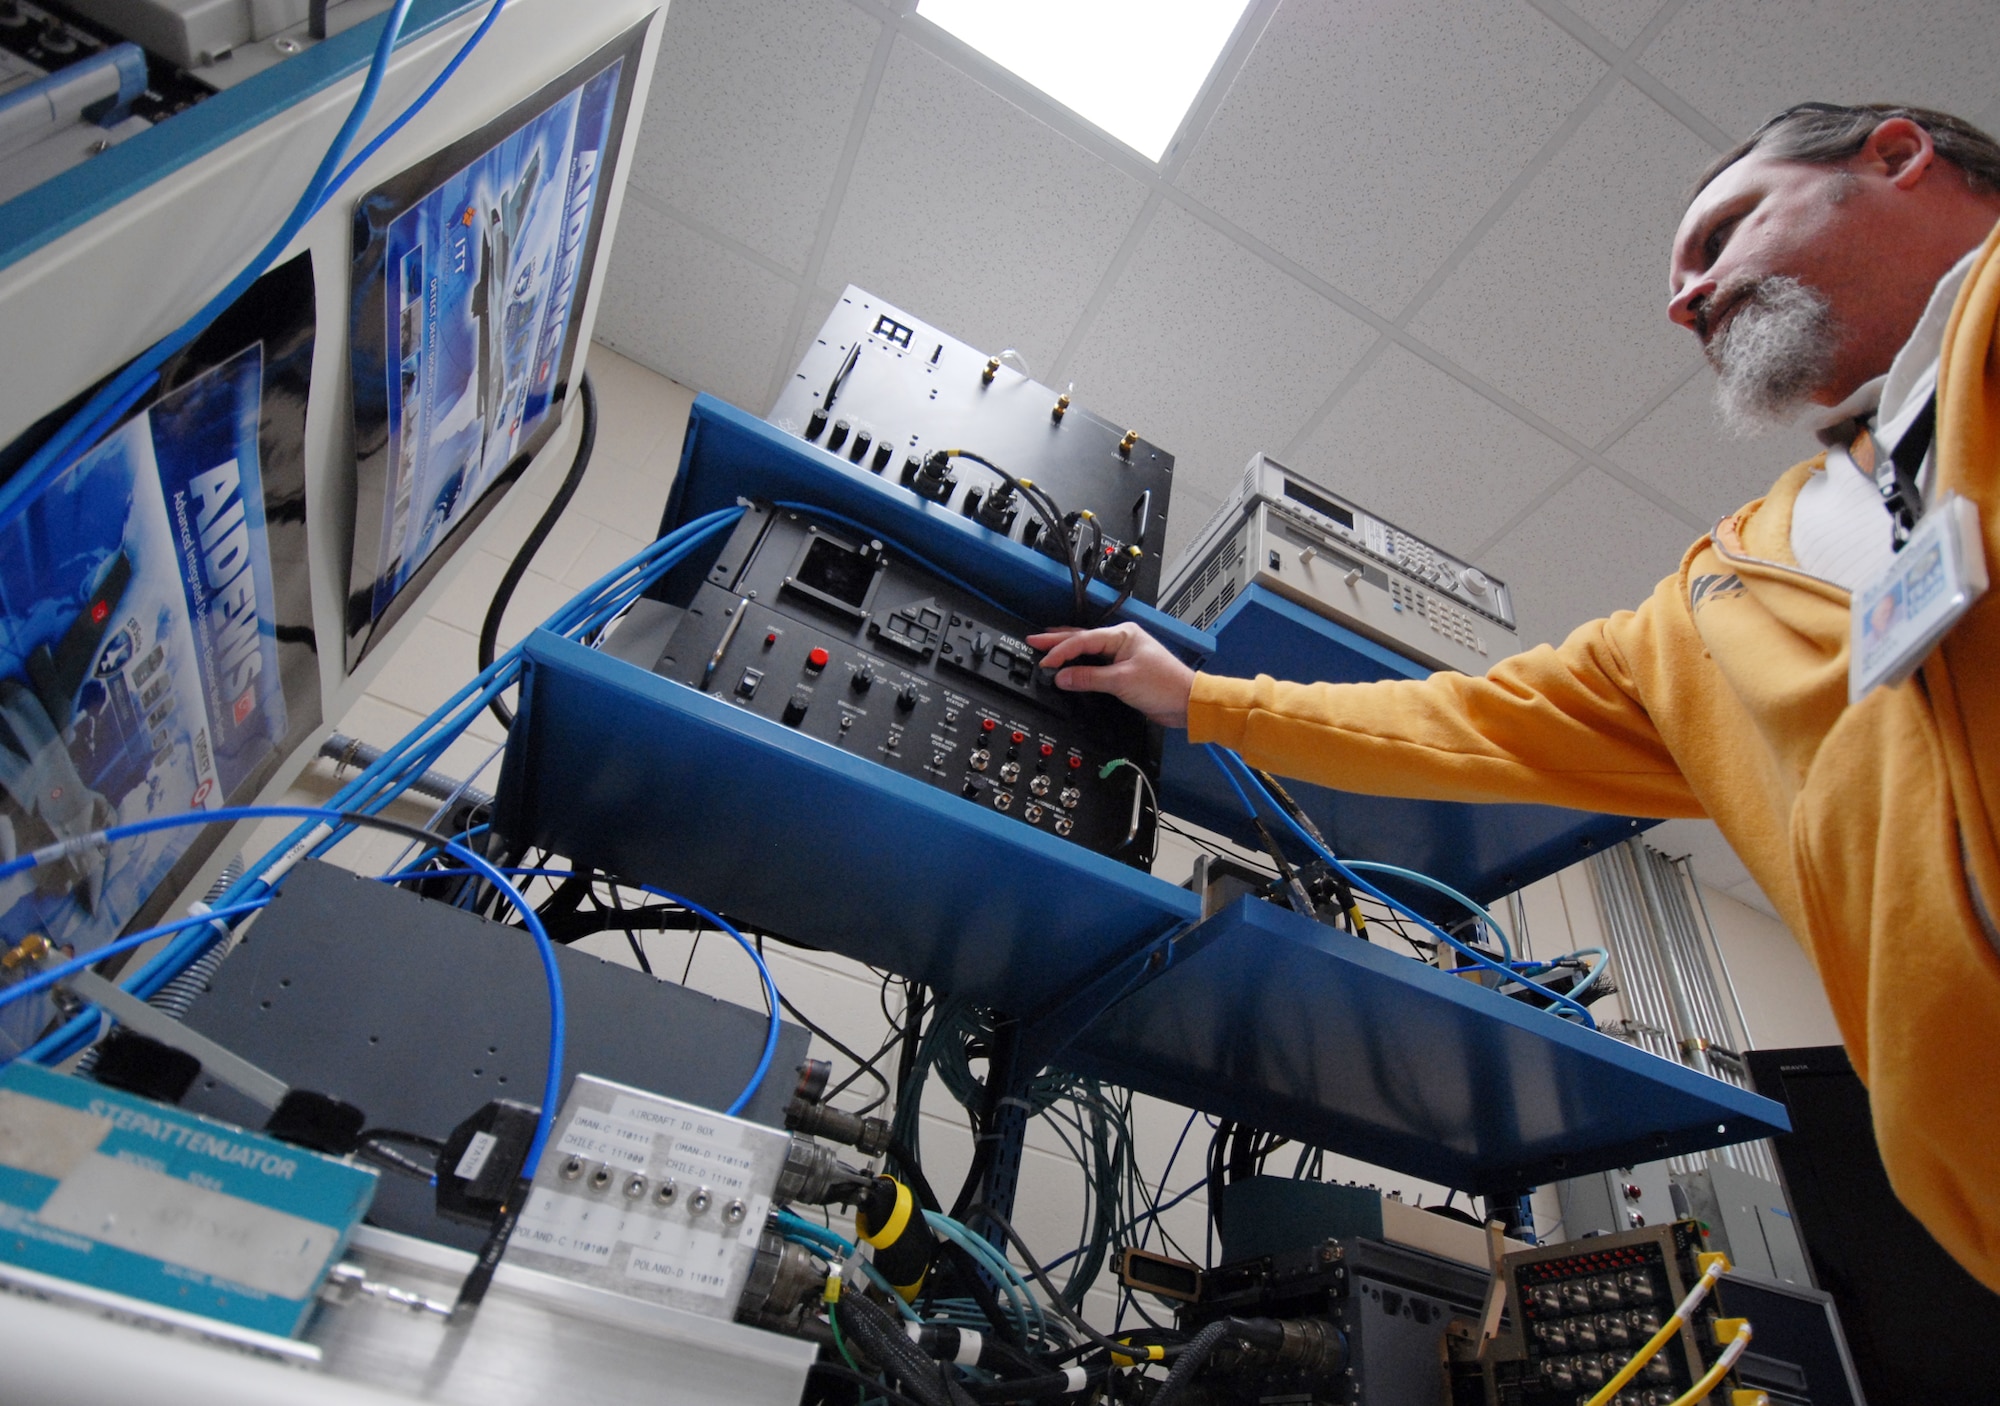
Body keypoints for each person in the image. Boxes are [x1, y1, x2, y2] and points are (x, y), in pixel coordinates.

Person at [1028, 103, 2000, 1293]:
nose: (1683, 299)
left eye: (1721, 234)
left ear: (1896, 157)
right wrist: (1208, 700)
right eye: (1677, 272)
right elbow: (1463, 722)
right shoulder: (1710, 600)